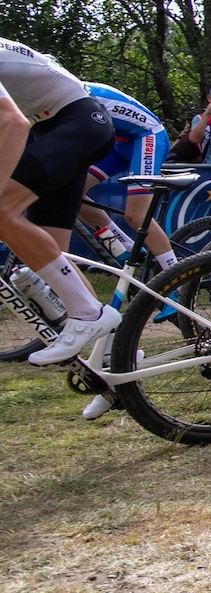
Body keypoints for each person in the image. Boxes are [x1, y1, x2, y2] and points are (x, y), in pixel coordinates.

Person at [0, 39, 121, 367]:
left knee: (1, 210)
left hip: (76, 124)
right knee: (53, 257)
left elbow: (13, 123)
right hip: (64, 127)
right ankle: (112, 354)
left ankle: (87, 313)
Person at [78, 81, 177, 276]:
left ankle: (176, 280)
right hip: (121, 142)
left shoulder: (72, 94)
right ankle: (125, 247)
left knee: (136, 215)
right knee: (72, 193)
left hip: (147, 136)